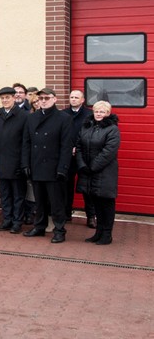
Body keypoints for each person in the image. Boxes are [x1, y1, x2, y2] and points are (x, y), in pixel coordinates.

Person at [22, 87, 72, 243]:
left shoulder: (64, 118)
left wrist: (63, 168)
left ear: (54, 99)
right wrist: (25, 164)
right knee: (39, 200)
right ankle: (40, 226)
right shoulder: (31, 118)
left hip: (54, 166)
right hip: (36, 164)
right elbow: (26, 143)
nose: (43, 101)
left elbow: (66, 146)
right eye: (41, 98)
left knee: (56, 202)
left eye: (46, 98)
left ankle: (59, 229)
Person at [76, 101, 120, 245]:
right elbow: (79, 147)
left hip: (104, 172)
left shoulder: (112, 129)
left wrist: (93, 167)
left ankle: (107, 234)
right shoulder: (87, 126)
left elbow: (108, 152)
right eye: (96, 111)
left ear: (108, 113)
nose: (99, 114)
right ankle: (98, 232)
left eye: (102, 111)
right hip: (88, 172)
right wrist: (82, 165)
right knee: (95, 203)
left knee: (106, 203)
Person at [0, 87, 29, 233]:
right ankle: (7, 220)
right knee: (4, 194)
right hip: (0, 160)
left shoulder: (24, 116)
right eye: (3, 98)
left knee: (18, 194)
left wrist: (24, 162)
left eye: (8, 97)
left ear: (14, 98)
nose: (5, 100)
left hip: (17, 161)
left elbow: (26, 141)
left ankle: (17, 222)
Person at [64, 90, 94, 226]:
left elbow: (91, 135)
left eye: (76, 97)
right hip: (68, 156)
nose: (73, 99)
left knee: (86, 187)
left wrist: (78, 147)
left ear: (82, 100)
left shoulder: (89, 115)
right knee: (66, 186)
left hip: (84, 156)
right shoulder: (63, 114)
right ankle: (66, 213)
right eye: (71, 97)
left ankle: (91, 216)